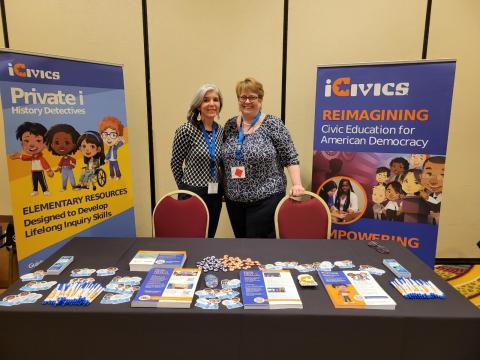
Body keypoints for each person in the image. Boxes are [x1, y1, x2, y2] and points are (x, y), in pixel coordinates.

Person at [221, 77, 304, 238]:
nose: (247, 101)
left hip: (266, 198)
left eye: (252, 97)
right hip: (234, 200)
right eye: (243, 97)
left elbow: (290, 157)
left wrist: (297, 184)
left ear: (260, 100)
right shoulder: (230, 125)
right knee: (241, 245)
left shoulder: (273, 124)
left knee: (258, 248)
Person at [170, 84, 224, 238]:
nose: (212, 104)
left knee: (210, 236)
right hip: (192, 192)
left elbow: (220, 163)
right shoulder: (186, 130)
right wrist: (184, 189)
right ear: (198, 105)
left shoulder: (220, 131)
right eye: (206, 100)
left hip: (214, 194)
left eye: (215, 100)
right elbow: (175, 163)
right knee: (191, 238)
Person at [9, 122, 54, 196]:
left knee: (42, 181)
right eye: (26, 141)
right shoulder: (32, 157)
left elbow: (44, 163)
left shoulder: (40, 158)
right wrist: (18, 156)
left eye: (38, 140)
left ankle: (45, 190)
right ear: (22, 144)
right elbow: (26, 157)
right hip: (33, 171)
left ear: (45, 144)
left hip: (40, 171)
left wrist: (48, 170)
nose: (32, 144)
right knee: (34, 181)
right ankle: (35, 190)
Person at [45, 124, 81, 191]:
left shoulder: (70, 158)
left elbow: (74, 161)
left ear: (74, 145)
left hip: (69, 169)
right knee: (64, 178)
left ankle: (74, 186)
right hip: (64, 169)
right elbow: (60, 163)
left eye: (67, 142)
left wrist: (72, 165)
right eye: (57, 142)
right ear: (52, 145)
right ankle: (64, 188)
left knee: (71, 177)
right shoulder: (62, 159)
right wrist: (58, 168)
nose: (61, 146)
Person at [99, 116, 126, 180]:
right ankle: (112, 176)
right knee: (110, 169)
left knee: (116, 168)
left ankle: (118, 176)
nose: (108, 138)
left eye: (113, 135)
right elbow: (108, 154)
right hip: (110, 160)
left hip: (115, 160)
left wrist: (121, 140)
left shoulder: (116, 146)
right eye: (105, 135)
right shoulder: (110, 148)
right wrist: (106, 159)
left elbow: (120, 144)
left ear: (118, 136)